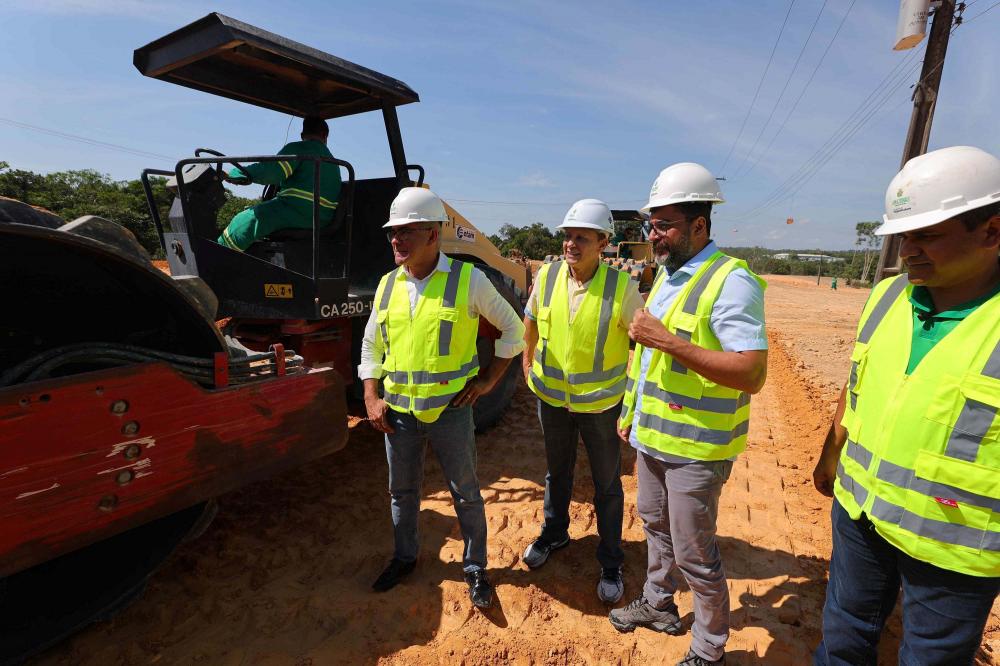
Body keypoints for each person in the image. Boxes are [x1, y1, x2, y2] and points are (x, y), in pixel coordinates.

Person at [811, 145, 1000, 666]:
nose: (908, 250)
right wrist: (830, 455)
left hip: (955, 548)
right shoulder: (888, 296)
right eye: (902, 236)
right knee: (843, 635)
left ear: (992, 231)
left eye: (927, 236)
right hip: (860, 513)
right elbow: (857, 387)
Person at [608, 162, 768, 666]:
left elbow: (751, 372)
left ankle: (708, 647)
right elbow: (648, 362)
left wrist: (667, 341)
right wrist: (631, 412)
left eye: (664, 225)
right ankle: (658, 603)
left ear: (700, 224)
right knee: (654, 526)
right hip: (654, 438)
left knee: (695, 552)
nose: (652, 235)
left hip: (697, 448)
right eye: (650, 224)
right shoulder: (668, 275)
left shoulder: (731, 281)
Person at [359, 187, 525, 609]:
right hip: (398, 413)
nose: (396, 239)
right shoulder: (387, 285)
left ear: (433, 235)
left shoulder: (469, 280)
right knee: (402, 492)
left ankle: (475, 567)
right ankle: (405, 558)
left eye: (406, 231)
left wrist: (488, 381)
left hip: (450, 411)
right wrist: (371, 396)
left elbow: (514, 330)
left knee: (465, 492)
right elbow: (371, 345)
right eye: (393, 232)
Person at [521, 198, 644, 604]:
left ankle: (610, 560)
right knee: (557, 474)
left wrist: (632, 403)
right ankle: (554, 534)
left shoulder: (621, 288)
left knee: (607, 485)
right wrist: (527, 363)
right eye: (568, 236)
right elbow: (531, 320)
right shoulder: (548, 276)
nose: (571, 244)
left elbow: (644, 345)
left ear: (603, 243)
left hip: (601, 407)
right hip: (553, 400)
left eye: (581, 238)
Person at [217, 116, 342, 251]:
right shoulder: (334, 163)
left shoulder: (299, 149)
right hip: (322, 219)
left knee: (246, 220)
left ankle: (217, 255)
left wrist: (235, 174)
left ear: (302, 135)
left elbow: (271, 172)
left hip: (295, 210)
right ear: (325, 135)